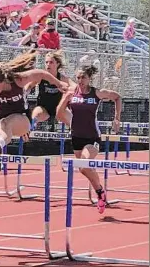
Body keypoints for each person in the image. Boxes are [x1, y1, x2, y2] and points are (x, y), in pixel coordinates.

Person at [0, 51, 68, 155]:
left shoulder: (18, 80)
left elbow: (40, 73)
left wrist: (58, 83)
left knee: (5, 123)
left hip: (22, 119)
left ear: (4, 81)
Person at [57, 65, 122, 214]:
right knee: (82, 168)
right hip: (76, 137)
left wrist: (117, 118)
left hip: (92, 137)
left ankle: (100, 193)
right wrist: (64, 100)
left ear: (89, 79)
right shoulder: (72, 93)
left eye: (83, 78)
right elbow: (59, 114)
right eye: (78, 78)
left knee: (85, 165)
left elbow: (117, 97)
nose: (80, 80)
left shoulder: (96, 93)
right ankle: (100, 192)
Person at [25, 50, 74, 128]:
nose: (48, 65)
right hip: (43, 108)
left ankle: (79, 137)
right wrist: (26, 91)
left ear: (57, 64)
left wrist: (70, 90)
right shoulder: (41, 76)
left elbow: (74, 86)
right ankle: (28, 134)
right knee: (35, 116)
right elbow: (29, 85)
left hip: (59, 108)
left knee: (74, 121)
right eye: (46, 62)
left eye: (51, 62)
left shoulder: (62, 78)